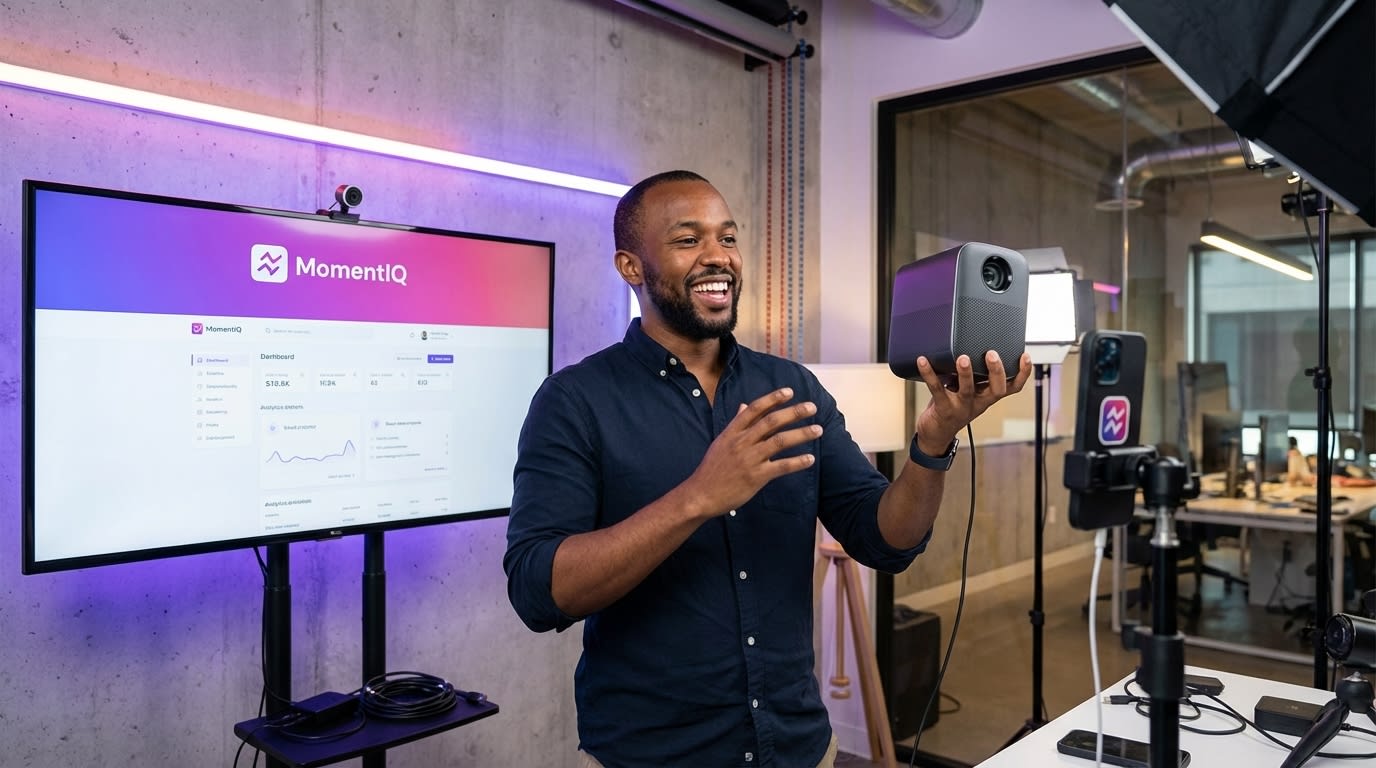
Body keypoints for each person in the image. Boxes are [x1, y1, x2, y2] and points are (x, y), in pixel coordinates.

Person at [504, 170, 1031, 767]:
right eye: (687, 240)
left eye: (727, 239)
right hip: (651, 756)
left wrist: (932, 441)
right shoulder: (574, 401)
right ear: (630, 266)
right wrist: (698, 496)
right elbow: (537, 591)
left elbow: (886, 539)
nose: (718, 258)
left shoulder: (790, 388)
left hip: (798, 748)